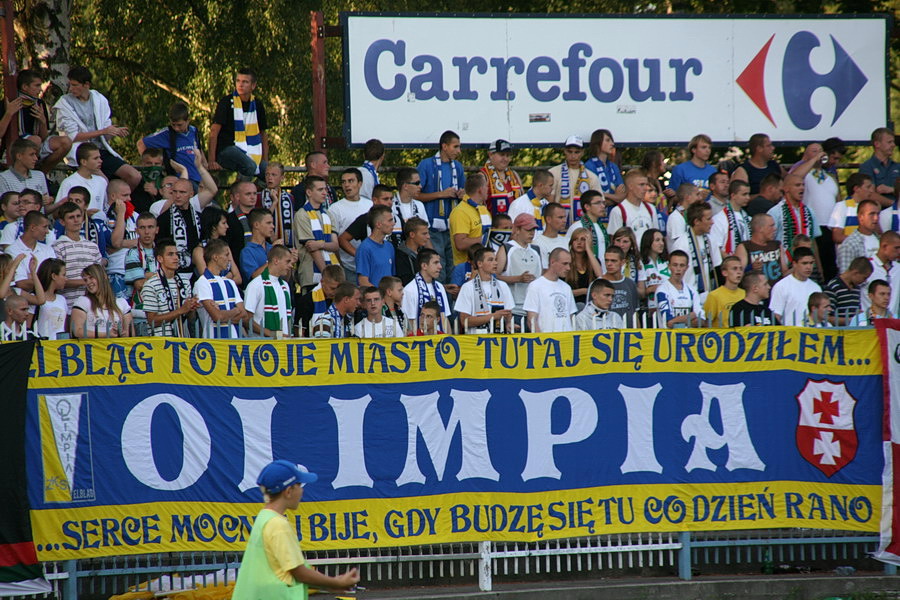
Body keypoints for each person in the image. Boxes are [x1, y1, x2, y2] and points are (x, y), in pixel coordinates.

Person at [230, 460, 359, 600]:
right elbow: (299, 572)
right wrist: (336, 582)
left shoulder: (264, 517)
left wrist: (330, 585)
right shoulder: (278, 525)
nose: (302, 490)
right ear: (288, 491)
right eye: (299, 485)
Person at [53, 66, 141, 189]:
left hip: (101, 151)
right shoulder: (65, 103)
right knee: (104, 182)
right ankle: (109, 204)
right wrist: (103, 131)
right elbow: (73, 136)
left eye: (75, 85)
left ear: (86, 84)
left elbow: (106, 130)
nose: (71, 89)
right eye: (70, 85)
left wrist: (114, 132)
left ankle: (117, 203)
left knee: (134, 176)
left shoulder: (99, 99)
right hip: (82, 152)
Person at [791, 139, 843, 281]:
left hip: (831, 229)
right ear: (806, 155)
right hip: (812, 227)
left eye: (820, 151)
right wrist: (813, 160)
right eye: (814, 151)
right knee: (814, 267)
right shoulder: (804, 174)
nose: (819, 154)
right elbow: (794, 177)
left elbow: (839, 201)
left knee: (831, 267)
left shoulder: (831, 176)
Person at [417, 130, 466, 278]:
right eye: (455, 146)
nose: (459, 151)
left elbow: (463, 193)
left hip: (453, 227)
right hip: (433, 227)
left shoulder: (457, 167)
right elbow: (416, 196)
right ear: (444, 146)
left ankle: (453, 300)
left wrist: (462, 195)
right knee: (438, 268)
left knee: (455, 267)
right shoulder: (426, 165)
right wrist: (441, 194)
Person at [7, 69, 72, 173]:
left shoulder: (39, 103)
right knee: (36, 140)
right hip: (19, 145)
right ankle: (28, 172)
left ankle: (42, 172)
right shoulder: (11, 102)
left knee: (66, 142)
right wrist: (9, 113)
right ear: (25, 87)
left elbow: (44, 137)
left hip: (38, 144)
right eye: (36, 86)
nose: (40, 89)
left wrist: (42, 120)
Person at [208, 68, 268, 178]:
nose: (240, 85)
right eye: (238, 81)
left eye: (245, 82)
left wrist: (265, 159)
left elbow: (263, 134)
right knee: (250, 166)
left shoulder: (257, 105)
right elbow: (214, 132)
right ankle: (240, 193)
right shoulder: (226, 102)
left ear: (253, 86)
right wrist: (211, 160)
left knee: (267, 171)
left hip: (250, 149)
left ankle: (247, 190)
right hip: (227, 149)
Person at [141, 239, 198, 336]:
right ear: (160, 259)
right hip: (161, 343)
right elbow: (152, 321)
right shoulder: (151, 285)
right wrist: (181, 310)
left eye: (177, 254)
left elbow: (191, 319)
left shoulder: (184, 282)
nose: (176, 258)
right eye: (170, 254)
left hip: (183, 341)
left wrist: (191, 308)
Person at [138, 102, 202, 187]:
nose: (176, 128)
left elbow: (199, 150)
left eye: (179, 125)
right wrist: (150, 166)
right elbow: (141, 143)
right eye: (173, 125)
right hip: (180, 180)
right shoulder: (167, 134)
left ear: (187, 121)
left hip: (199, 179)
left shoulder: (194, 131)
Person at [52, 202, 102, 311]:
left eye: (78, 216)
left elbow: (101, 276)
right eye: (71, 217)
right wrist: (88, 281)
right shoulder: (57, 246)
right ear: (62, 222)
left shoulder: (93, 246)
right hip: (69, 306)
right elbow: (58, 281)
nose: (76, 220)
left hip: (93, 306)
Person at [338, 184, 393, 282]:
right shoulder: (364, 220)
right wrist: (359, 254)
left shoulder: (389, 246)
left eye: (391, 199)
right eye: (385, 199)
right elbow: (343, 239)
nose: (390, 202)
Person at [194, 239, 247, 339]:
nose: (229, 259)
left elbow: (244, 315)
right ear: (215, 257)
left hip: (236, 341)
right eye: (226, 255)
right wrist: (235, 311)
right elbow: (217, 317)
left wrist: (224, 315)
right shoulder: (202, 282)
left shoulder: (230, 282)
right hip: (214, 344)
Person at [294, 175, 340, 288]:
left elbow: (335, 245)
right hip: (311, 275)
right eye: (320, 190)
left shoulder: (328, 214)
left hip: (332, 272)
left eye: (325, 189)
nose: (325, 193)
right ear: (309, 192)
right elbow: (311, 248)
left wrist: (320, 244)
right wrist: (327, 275)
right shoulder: (302, 214)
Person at [455, 247, 514, 334]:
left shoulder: (503, 285)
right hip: (476, 341)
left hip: (498, 339)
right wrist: (493, 316)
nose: (495, 263)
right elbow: (465, 321)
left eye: (495, 260)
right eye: (490, 260)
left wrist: (509, 324)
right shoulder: (467, 287)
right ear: (480, 263)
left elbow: (508, 314)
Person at [496, 213, 541, 325]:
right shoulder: (507, 248)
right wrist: (517, 279)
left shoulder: (536, 250)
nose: (532, 233)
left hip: (535, 309)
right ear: (516, 229)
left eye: (534, 230)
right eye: (528, 230)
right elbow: (494, 277)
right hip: (514, 310)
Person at [671, 203, 721, 298]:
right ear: (697, 221)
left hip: (710, 298)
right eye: (708, 219)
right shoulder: (681, 244)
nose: (712, 222)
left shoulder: (711, 240)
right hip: (689, 298)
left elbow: (717, 268)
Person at [550, 135, 602, 225]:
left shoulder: (592, 177)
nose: (573, 156)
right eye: (570, 152)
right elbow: (549, 201)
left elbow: (598, 203)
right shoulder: (553, 173)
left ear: (582, 153)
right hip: (558, 227)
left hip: (584, 227)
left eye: (577, 152)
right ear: (564, 151)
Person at [245, 245, 294, 338]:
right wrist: (273, 335)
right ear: (276, 261)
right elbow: (247, 320)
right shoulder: (255, 285)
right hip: (262, 344)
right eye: (287, 261)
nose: (290, 266)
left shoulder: (285, 285)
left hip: (283, 344)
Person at [523, 248, 578, 332]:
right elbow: (531, 320)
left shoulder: (566, 287)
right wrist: (541, 340)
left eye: (569, 264)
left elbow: (571, 317)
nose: (568, 268)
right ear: (552, 262)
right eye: (565, 264)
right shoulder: (535, 286)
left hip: (567, 340)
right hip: (547, 340)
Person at [329, 167, 372, 274]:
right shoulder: (334, 209)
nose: (347, 185)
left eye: (351, 181)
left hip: (370, 265)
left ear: (360, 183)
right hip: (347, 266)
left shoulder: (370, 205)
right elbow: (333, 239)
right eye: (344, 182)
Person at [71, 263, 132, 338]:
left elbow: (130, 335)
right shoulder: (82, 301)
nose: (88, 282)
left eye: (91, 278)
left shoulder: (122, 303)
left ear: (104, 276)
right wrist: (106, 334)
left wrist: (121, 333)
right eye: (85, 280)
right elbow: (76, 331)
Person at [4, 211, 56, 292]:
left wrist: (32, 277)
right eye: (44, 227)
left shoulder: (48, 249)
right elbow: (21, 283)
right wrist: (47, 279)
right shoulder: (11, 251)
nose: (47, 231)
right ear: (33, 227)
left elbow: (57, 278)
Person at [769, 247, 821, 326]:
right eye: (804, 263)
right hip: (791, 335)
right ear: (794, 264)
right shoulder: (781, 286)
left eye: (811, 263)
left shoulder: (816, 287)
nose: (809, 267)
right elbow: (776, 316)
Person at [607, 168, 658, 246]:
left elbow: (656, 235)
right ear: (630, 186)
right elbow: (614, 242)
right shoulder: (618, 211)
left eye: (646, 184)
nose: (645, 188)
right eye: (641, 185)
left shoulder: (651, 209)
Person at [449, 172, 492, 265]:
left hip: (484, 265)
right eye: (486, 187)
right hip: (466, 268)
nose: (488, 189)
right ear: (480, 190)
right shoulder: (460, 212)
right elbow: (460, 244)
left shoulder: (482, 209)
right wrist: (486, 238)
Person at [735, 213, 788, 287]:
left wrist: (796, 268)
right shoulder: (744, 247)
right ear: (760, 228)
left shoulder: (777, 245)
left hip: (777, 293)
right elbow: (737, 275)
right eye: (771, 226)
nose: (775, 228)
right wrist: (750, 268)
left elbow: (784, 273)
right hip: (755, 294)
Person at [53, 142, 107, 214]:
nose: (100, 161)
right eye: (95, 158)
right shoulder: (69, 183)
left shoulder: (101, 181)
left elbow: (104, 208)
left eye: (99, 157)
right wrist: (84, 215)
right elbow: (57, 213)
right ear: (84, 162)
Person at [191, 206, 241, 285]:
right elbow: (208, 280)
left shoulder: (225, 247)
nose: (227, 226)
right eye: (223, 223)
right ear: (214, 226)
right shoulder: (199, 251)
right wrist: (228, 276)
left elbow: (238, 278)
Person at [656, 250, 703, 328]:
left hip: (690, 338)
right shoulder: (662, 290)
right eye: (675, 265)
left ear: (687, 267)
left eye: (682, 265)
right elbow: (669, 322)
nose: (678, 269)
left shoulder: (692, 290)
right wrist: (692, 315)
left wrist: (677, 321)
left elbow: (701, 320)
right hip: (669, 338)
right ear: (669, 266)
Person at [402, 249, 451, 325]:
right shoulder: (410, 290)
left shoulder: (440, 287)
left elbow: (444, 318)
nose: (440, 266)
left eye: (439, 263)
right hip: (420, 336)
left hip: (440, 336)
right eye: (436, 263)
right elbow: (409, 322)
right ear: (424, 266)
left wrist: (448, 337)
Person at [124, 212, 159, 319]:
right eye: (142, 228)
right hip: (141, 312)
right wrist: (158, 276)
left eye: (150, 227)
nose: (147, 232)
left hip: (160, 311)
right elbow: (139, 284)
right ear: (137, 230)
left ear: (157, 229)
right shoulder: (133, 253)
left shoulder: (161, 251)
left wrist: (147, 276)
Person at [259, 162, 300, 248]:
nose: (270, 178)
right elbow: (260, 219)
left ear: (282, 177)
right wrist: (274, 203)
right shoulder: (259, 196)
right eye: (267, 174)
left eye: (274, 175)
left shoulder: (289, 198)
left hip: (287, 244)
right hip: (265, 244)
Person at [296, 264, 345, 336]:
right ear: (322, 282)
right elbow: (299, 330)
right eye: (332, 288)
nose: (336, 292)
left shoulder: (344, 299)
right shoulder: (307, 300)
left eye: (339, 288)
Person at [836, 199, 881, 273]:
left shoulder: (881, 240)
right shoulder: (849, 244)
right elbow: (846, 277)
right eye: (871, 214)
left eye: (878, 214)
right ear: (861, 217)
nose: (876, 218)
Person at [355, 205, 395, 287]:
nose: (393, 223)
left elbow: (392, 277)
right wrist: (380, 296)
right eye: (390, 220)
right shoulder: (365, 248)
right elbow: (363, 281)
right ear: (378, 224)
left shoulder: (389, 247)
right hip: (375, 298)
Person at [859, 127, 900, 207]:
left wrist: (892, 190)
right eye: (889, 142)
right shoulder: (867, 167)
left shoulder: (897, 166)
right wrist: (894, 205)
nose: (893, 145)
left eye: (893, 142)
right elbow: (869, 194)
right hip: (878, 214)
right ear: (877, 144)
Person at [666, 134, 717, 199]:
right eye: (703, 147)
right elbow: (672, 196)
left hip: (708, 207)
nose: (708, 151)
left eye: (709, 148)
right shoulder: (680, 169)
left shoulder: (713, 171)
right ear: (694, 150)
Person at [824, 257, 871, 325]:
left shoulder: (857, 288)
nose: (865, 281)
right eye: (864, 278)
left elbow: (856, 310)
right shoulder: (834, 286)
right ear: (855, 273)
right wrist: (850, 320)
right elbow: (827, 317)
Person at [862, 231, 900, 316]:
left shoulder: (898, 268)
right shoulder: (867, 266)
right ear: (884, 246)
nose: (899, 252)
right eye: (896, 248)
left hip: (892, 323)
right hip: (869, 323)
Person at [830, 173, 875, 245]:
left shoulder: (872, 207)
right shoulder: (842, 206)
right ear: (856, 189)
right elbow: (837, 236)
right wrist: (862, 240)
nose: (871, 191)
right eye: (868, 187)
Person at [567, 190, 609, 266]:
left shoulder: (602, 227)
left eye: (603, 203)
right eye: (598, 203)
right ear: (587, 207)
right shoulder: (577, 227)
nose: (603, 206)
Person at [481, 139, 522, 215]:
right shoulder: (483, 176)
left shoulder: (514, 175)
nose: (505, 159)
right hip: (493, 224)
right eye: (502, 155)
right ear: (490, 154)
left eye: (508, 155)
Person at [710, 180, 752, 257]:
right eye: (744, 194)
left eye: (748, 194)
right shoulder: (719, 219)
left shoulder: (748, 218)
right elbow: (716, 248)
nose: (748, 198)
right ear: (733, 195)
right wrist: (733, 262)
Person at [585, 129, 626, 205]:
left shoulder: (613, 167)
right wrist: (614, 197)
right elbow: (592, 196)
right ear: (598, 143)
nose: (612, 144)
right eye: (607, 140)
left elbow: (622, 196)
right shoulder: (589, 166)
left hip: (614, 213)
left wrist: (605, 195)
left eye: (612, 141)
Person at [702, 256, 745, 327]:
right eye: (734, 269)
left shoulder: (745, 294)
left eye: (741, 269)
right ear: (725, 273)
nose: (739, 272)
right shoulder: (714, 295)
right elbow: (707, 322)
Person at [390, 168, 428, 248]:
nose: (420, 186)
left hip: (417, 254)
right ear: (405, 186)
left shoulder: (419, 205)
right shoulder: (390, 205)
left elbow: (426, 236)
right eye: (417, 183)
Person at [224, 180, 262, 260]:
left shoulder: (261, 217)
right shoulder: (229, 219)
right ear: (237, 196)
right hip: (237, 264)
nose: (252, 197)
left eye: (255, 193)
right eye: (248, 194)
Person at [566, 228, 603, 305]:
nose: (579, 242)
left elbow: (599, 276)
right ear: (571, 243)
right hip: (571, 304)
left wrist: (588, 249)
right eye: (575, 239)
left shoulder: (594, 261)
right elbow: (562, 291)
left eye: (583, 239)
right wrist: (584, 291)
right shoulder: (566, 262)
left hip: (590, 305)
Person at [34, 258, 68, 340]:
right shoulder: (34, 298)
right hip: (42, 345)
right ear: (54, 276)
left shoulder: (62, 299)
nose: (66, 279)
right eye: (63, 275)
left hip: (60, 345)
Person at [602, 245, 639, 319]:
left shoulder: (630, 283)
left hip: (629, 329)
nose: (609, 264)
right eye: (606, 260)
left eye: (613, 261)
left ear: (623, 262)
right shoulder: (598, 284)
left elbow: (635, 313)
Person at [240, 208, 275, 282]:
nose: (273, 226)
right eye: (268, 223)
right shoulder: (247, 251)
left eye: (272, 223)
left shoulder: (272, 248)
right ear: (256, 225)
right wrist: (274, 257)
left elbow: (285, 279)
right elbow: (255, 277)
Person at [664, 183, 704, 249]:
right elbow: (680, 245)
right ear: (687, 197)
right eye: (697, 194)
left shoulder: (690, 215)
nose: (700, 198)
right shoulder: (675, 217)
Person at [533, 202, 569, 269]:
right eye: (560, 217)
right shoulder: (537, 243)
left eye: (565, 217)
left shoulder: (567, 241)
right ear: (548, 219)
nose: (564, 221)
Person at [395, 217, 430, 286]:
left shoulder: (423, 252)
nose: (428, 237)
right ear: (412, 235)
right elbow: (406, 281)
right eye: (424, 234)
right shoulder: (400, 255)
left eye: (428, 233)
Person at [640, 228, 669, 308]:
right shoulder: (640, 263)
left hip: (668, 306)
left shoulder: (667, 262)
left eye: (662, 240)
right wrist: (651, 289)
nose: (661, 243)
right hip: (649, 309)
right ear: (648, 242)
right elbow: (637, 292)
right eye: (657, 240)